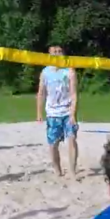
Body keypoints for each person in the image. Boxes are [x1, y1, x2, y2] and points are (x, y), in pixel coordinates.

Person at [36, 45, 79, 179]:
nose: (58, 53)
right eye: (54, 52)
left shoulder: (69, 71)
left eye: (60, 51)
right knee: (53, 144)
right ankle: (58, 170)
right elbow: (41, 93)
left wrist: (73, 113)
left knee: (71, 139)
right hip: (52, 114)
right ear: (49, 55)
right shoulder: (45, 72)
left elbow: (74, 94)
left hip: (67, 111)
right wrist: (39, 112)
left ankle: (72, 171)